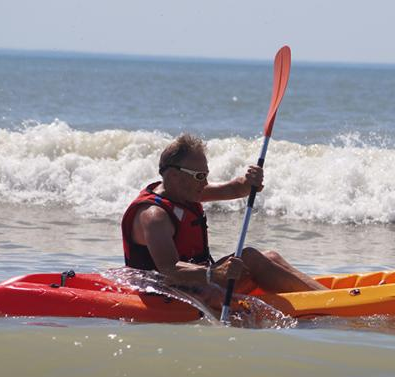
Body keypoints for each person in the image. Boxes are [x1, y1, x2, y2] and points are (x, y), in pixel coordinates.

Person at [121, 133, 325, 310]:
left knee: (270, 256)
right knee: (250, 258)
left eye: (206, 175)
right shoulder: (154, 216)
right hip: (164, 294)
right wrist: (213, 273)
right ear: (174, 176)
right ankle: (326, 301)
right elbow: (169, 269)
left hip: (195, 283)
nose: (206, 182)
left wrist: (248, 182)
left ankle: (323, 295)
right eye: (200, 176)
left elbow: (233, 189)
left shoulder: (184, 193)